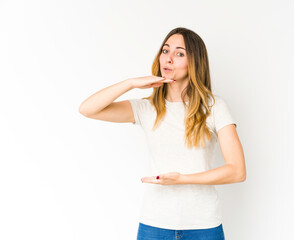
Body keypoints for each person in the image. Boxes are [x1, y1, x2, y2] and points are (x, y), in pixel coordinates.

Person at [79, 27, 246, 240]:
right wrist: (131, 83)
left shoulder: (214, 107)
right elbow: (87, 109)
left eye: (179, 54)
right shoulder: (146, 108)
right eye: (165, 51)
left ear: (194, 62)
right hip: (154, 224)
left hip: (203, 225)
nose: (168, 59)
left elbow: (237, 171)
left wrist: (182, 179)